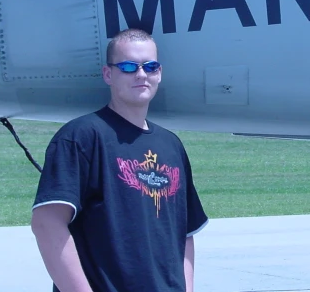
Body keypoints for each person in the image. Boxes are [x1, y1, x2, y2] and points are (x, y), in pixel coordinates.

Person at [30, 28, 208, 292]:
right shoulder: (81, 137)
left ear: (159, 72)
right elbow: (46, 223)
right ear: (108, 74)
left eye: (150, 66)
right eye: (127, 66)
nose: (141, 74)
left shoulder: (171, 145)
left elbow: (185, 233)